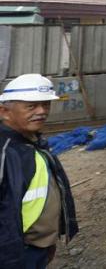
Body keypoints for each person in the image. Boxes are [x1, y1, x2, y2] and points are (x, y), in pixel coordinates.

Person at [0, 74, 78, 268]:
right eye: (31, 106)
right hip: (14, 254)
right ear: (4, 111)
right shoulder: (5, 152)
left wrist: (49, 242)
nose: (42, 112)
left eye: (46, 105)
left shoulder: (33, 144)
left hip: (37, 248)